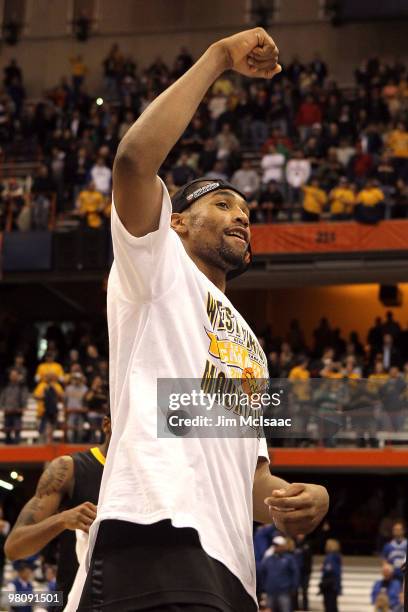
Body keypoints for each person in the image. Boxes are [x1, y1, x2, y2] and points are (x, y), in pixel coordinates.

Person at [77, 27, 329, 612]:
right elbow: (135, 161)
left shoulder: (252, 345)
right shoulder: (155, 266)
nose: (241, 217)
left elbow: (251, 481)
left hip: (232, 569)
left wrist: (295, 501)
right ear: (179, 223)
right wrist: (217, 58)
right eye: (222, 204)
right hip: (155, 529)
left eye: (246, 211)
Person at [5, 415, 111, 609]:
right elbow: (14, 547)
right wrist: (62, 519)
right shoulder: (69, 468)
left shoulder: (153, 473)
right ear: (107, 424)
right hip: (74, 601)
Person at [259, 535, 299, 612]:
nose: (275, 547)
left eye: (277, 545)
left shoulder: (289, 559)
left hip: (284, 591)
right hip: (270, 591)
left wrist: (294, 587)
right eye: (274, 545)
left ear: (283, 546)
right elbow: (263, 573)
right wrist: (264, 586)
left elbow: (295, 574)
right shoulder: (268, 559)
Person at [0, 368, 29, 444]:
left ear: (18, 376)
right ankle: (7, 447)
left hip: (17, 412)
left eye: (15, 375)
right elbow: (2, 397)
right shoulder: (6, 386)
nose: (13, 377)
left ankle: (17, 447)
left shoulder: (22, 386)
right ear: (9, 376)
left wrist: (23, 407)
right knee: (7, 431)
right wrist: (2, 407)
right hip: (8, 411)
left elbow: (24, 397)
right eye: (12, 375)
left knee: (17, 430)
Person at [319, 539, 342, 612]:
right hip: (333, 584)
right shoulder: (336, 556)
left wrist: (324, 568)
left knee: (330, 606)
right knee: (332, 605)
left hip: (330, 585)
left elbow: (331, 570)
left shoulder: (331, 557)